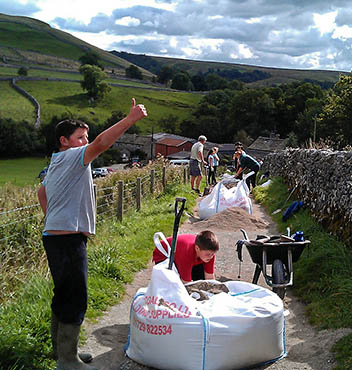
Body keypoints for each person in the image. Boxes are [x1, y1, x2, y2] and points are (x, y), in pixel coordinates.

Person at [37, 98, 147, 370]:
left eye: (85, 136)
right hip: (67, 238)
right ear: (64, 140)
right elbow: (101, 144)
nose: (85, 142)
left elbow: (42, 192)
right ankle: (67, 361)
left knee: (64, 294)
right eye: (80, 137)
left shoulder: (57, 161)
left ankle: (62, 352)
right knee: (76, 296)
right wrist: (130, 119)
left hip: (56, 235)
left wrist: (52, 218)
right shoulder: (74, 157)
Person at [152, 230, 219, 283]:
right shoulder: (187, 254)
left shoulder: (209, 252)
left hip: (189, 255)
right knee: (173, 282)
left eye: (213, 254)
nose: (210, 257)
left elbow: (209, 277)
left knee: (200, 280)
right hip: (164, 254)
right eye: (208, 254)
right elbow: (186, 282)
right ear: (197, 248)